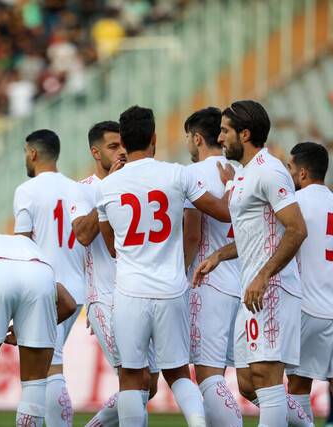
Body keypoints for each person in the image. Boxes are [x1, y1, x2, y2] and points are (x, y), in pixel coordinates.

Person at [97, 106, 231, 426]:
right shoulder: (177, 173)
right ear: (154, 138)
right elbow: (225, 213)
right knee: (178, 373)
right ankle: (198, 424)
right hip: (172, 288)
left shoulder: (107, 187)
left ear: (124, 143)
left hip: (130, 290)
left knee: (131, 375)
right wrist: (231, 184)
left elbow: (109, 246)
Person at [194, 100, 308, 427]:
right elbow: (252, 236)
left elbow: (297, 229)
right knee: (246, 382)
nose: (220, 137)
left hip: (270, 289)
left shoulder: (270, 170)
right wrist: (219, 255)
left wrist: (263, 276)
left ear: (244, 134)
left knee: (266, 377)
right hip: (253, 289)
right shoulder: (246, 174)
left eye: (225, 131)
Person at [70, 121, 158, 427]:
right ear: (96, 152)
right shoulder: (82, 189)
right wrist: (110, 187)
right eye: (112, 147)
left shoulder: (135, 184)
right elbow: (82, 235)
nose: (121, 151)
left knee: (150, 384)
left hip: (139, 294)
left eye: (123, 145)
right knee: (137, 378)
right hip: (105, 297)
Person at [0, 233, 78, 427]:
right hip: (39, 275)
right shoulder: (34, 252)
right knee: (34, 385)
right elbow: (69, 305)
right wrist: (28, 329)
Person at [13, 128, 86, 426]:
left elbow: (22, 245)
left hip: (48, 290)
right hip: (78, 288)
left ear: (32, 153)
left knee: (48, 369)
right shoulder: (78, 188)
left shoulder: (26, 191)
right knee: (49, 365)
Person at [182, 108, 243, 426]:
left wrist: (180, 272)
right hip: (241, 282)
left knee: (208, 377)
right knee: (224, 377)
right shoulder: (240, 170)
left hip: (207, 282)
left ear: (196, 137)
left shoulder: (193, 174)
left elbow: (192, 234)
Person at [285, 142, 333, 426]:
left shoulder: (296, 205)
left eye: (290, 168)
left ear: (302, 173)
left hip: (309, 308)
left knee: (298, 387)